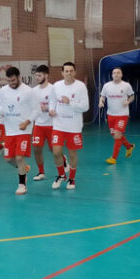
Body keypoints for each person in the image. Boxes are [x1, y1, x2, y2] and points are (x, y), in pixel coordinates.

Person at [0, 67, 36, 195]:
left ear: (19, 77)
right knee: (8, 159)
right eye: (8, 81)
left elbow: (37, 110)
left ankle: (22, 185)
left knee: (19, 157)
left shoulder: (28, 91)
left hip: (24, 130)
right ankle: (24, 168)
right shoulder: (3, 91)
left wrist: (27, 122)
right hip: (10, 130)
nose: (11, 83)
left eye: (13, 80)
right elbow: (4, 107)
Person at [48, 62, 89, 190]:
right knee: (56, 152)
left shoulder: (81, 87)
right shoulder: (56, 86)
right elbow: (52, 100)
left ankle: (71, 178)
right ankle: (61, 175)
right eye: (66, 71)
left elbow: (85, 107)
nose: (69, 73)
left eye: (71, 71)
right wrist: (51, 109)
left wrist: (70, 102)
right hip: (58, 125)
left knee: (72, 154)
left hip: (74, 127)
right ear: (62, 73)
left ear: (75, 73)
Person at [31, 65, 69, 181]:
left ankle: (63, 161)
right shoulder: (33, 91)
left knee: (54, 150)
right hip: (38, 125)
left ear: (46, 75)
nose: (37, 77)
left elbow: (60, 106)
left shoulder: (54, 89)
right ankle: (41, 172)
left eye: (39, 75)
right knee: (37, 149)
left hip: (53, 125)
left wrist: (46, 109)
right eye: (36, 75)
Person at [99, 67, 135, 164]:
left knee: (117, 135)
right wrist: (101, 102)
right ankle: (129, 146)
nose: (116, 74)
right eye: (114, 73)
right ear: (112, 75)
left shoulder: (126, 85)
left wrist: (128, 101)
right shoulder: (107, 86)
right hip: (111, 115)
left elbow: (132, 96)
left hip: (122, 114)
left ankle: (113, 158)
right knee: (114, 135)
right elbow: (102, 96)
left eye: (118, 73)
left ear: (121, 75)